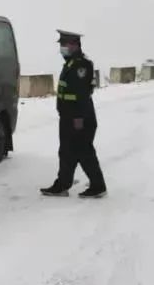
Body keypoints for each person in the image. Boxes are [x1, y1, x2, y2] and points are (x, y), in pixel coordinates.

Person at [40, 30, 107, 198]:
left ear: (75, 45)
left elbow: (82, 95)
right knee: (67, 152)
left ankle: (98, 186)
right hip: (69, 117)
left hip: (79, 118)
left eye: (65, 44)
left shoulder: (81, 66)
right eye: (61, 45)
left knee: (84, 152)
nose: (62, 48)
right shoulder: (71, 64)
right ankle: (62, 185)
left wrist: (78, 119)